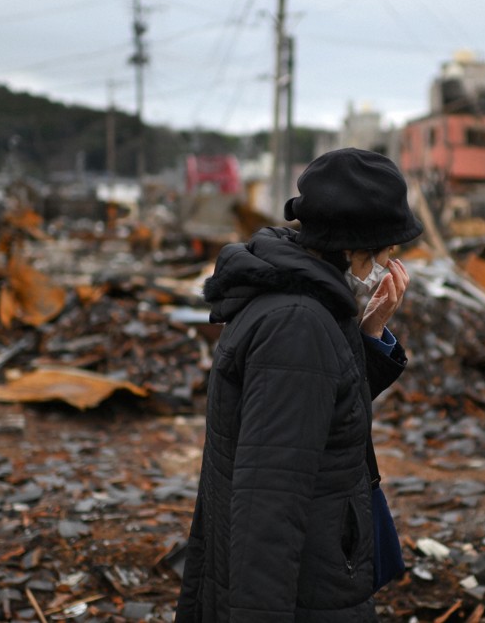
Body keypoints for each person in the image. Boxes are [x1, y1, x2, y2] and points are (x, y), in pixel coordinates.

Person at [175, 147, 423, 622]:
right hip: (305, 590)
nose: (389, 263)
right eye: (387, 250)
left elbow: (323, 418)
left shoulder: (305, 302)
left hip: (313, 569)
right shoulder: (298, 324)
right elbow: (268, 505)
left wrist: (368, 335)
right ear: (354, 247)